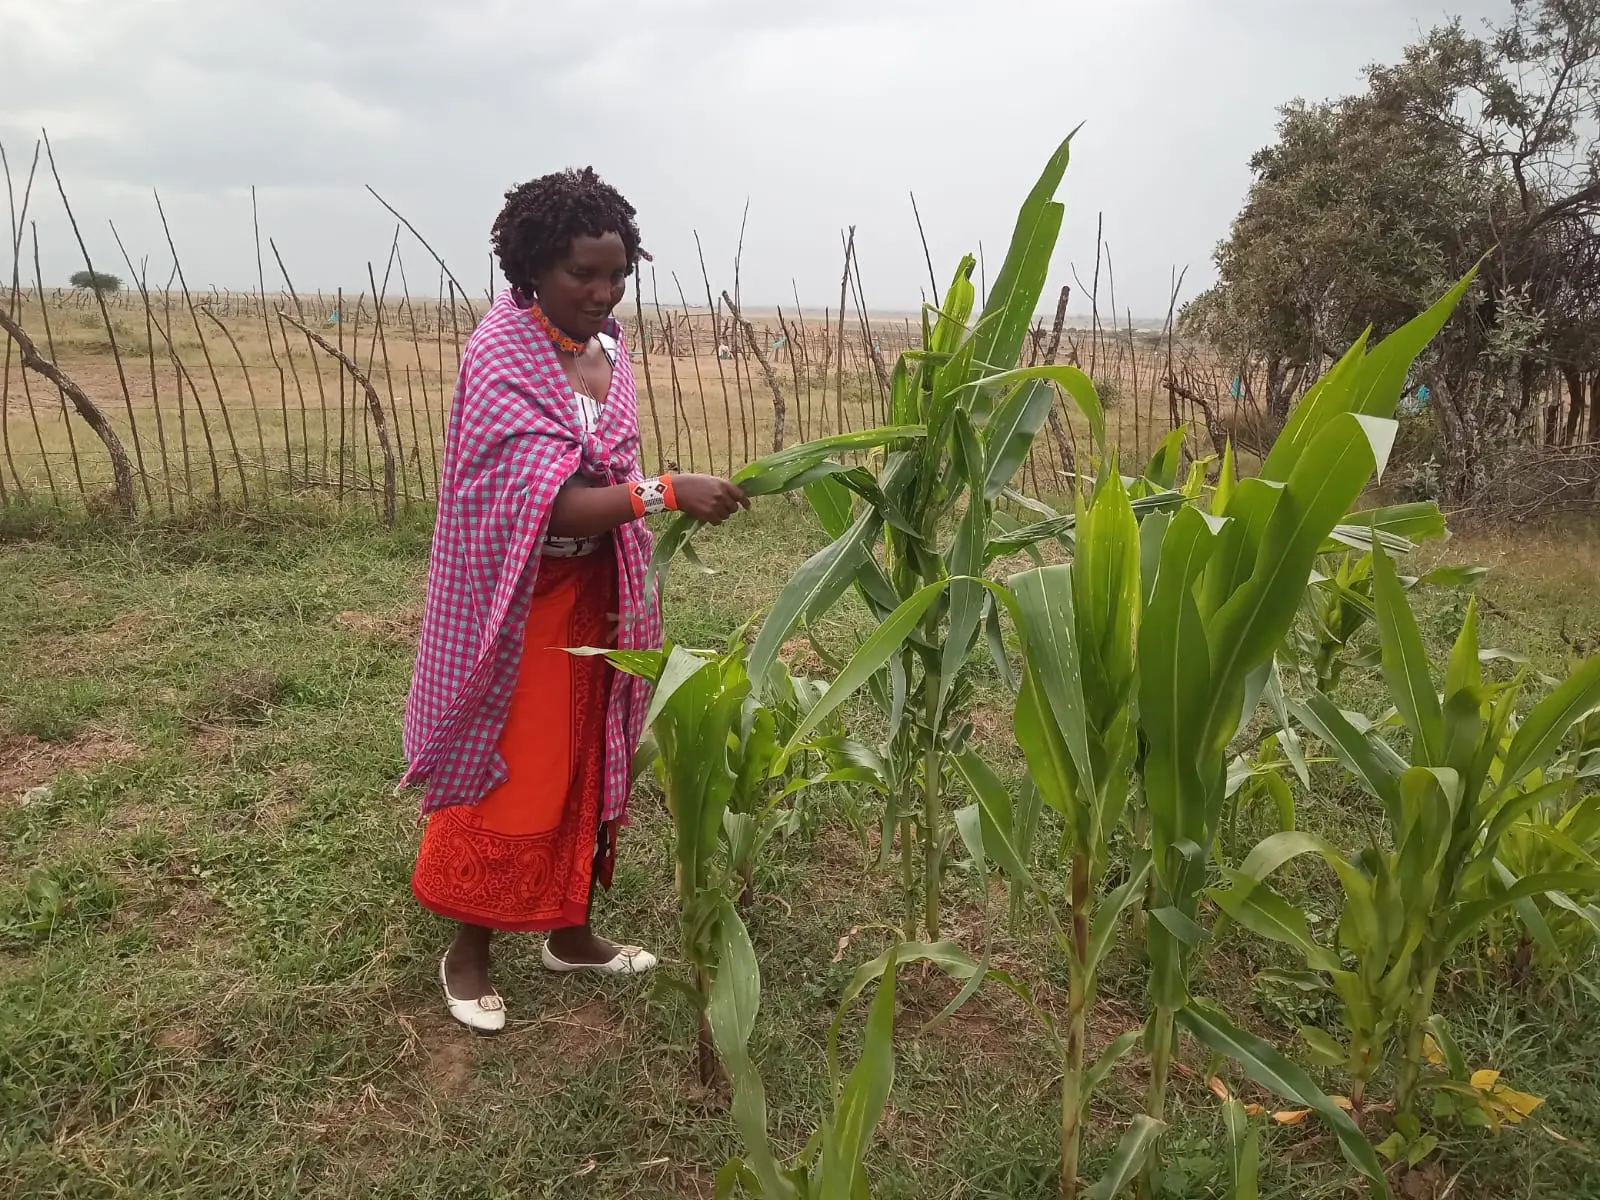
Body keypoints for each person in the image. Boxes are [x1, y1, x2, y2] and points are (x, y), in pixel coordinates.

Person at [401, 168, 749, 1033]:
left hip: (600, 591)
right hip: (518, 603)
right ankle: (469, 948)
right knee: (513, 764)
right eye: (582, 275)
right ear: (530, 269)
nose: (602, 292)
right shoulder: (503, 352)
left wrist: (638, 495)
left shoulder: (609, 351)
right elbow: (546, 502)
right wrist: (664, 492)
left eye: (617, 275)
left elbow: (603, 469)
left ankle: (570, 931)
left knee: (592, 757)